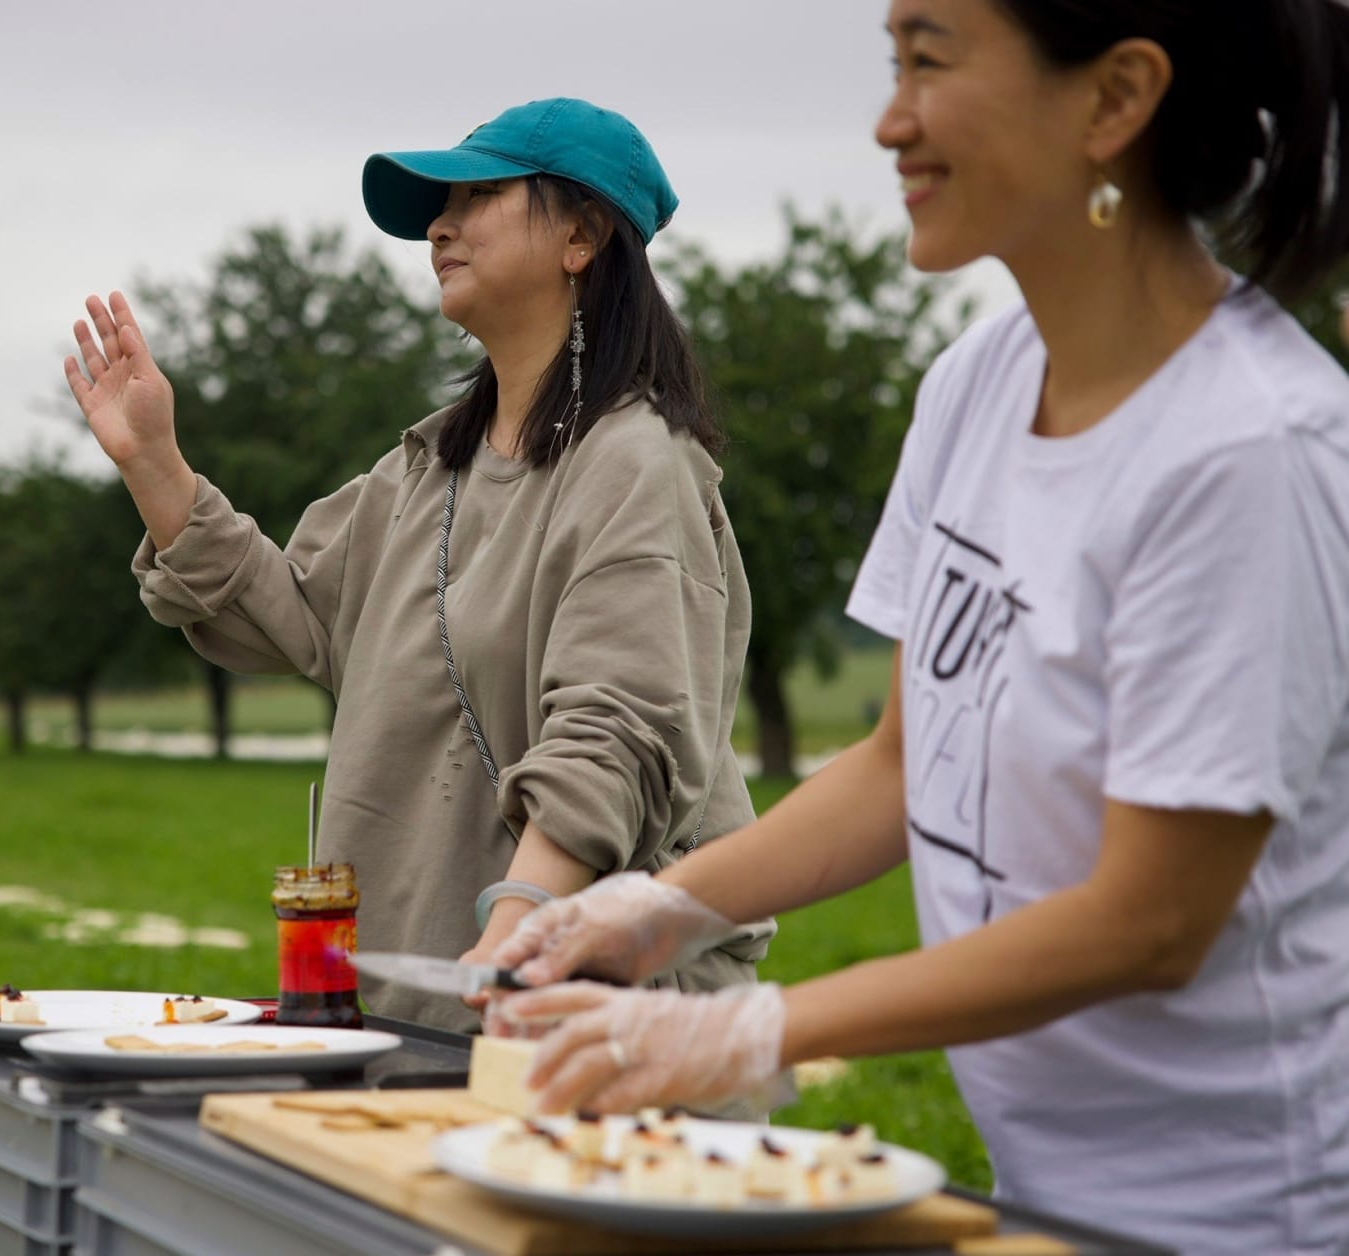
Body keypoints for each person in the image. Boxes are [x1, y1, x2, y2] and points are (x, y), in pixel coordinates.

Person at [490, 3, 1349, 1252]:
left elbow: (1154, 920)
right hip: (1036, 1184)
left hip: (1238, 1215)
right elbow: (905, 765)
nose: (891, 121)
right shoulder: (978, 384)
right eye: (891, 66)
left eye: (929, 63)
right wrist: (660, 907)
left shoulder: (1253, 450)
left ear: (1116, 100)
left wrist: (751, 1027)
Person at [62, 98, 773, 1032]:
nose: (440, 224)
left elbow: (617, 733)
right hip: (408, 1010)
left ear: (583, 234)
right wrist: (154, 460)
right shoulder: (426, 467)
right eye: (441, 204)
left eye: (478, 195)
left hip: (573, 1022)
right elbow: (287, 617)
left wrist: (512, 934)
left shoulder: (636, 465)